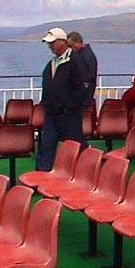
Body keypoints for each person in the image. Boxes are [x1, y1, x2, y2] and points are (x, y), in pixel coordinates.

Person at [36, 27, 90, 171]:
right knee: (46, 146)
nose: (50, 46)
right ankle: (40, 176)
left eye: (52, 42)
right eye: (49, 43)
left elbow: (82, 86)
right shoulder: (52, 63)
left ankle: (83, 173)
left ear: (62, 41)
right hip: (52, 113)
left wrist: (69, 107)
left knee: (75, 145)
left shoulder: (75, 61)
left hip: (68, 114)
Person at [67, 31, 98, 107]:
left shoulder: (87, 56)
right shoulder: (81, 55)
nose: (69, 48)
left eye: (70, 46)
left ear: (78, 42)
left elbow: (89, 77)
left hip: (83, 99)